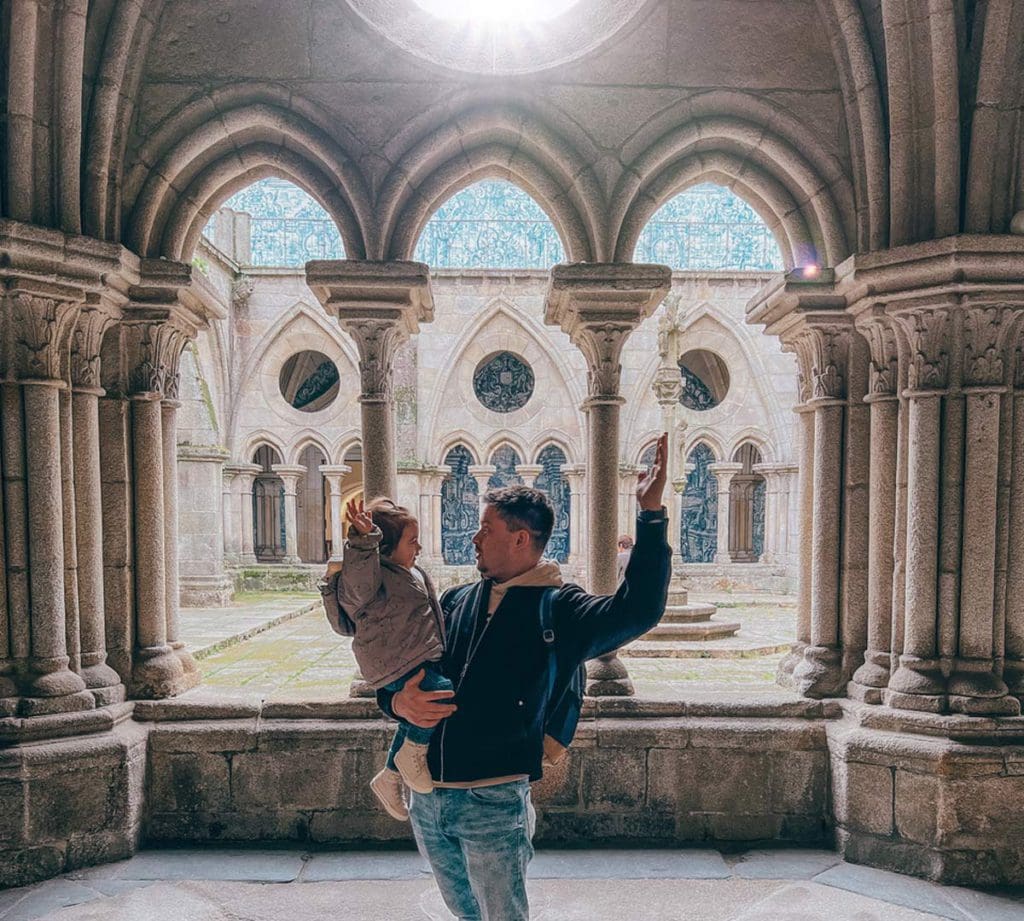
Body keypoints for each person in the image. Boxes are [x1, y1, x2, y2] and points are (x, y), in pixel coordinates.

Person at [377, 432, 672, 921]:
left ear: (520, 539)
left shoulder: (560, 608)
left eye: (485, 529)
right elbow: (399, 666)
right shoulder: (455, 600)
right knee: (463, 912)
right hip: (427, 796)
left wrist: (651, 515)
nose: (474, 538)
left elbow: (638, 608)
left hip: (492, 800)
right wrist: (393, 701)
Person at [334, 497, 450, 822]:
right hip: (395, 661)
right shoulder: (372, 581)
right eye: (412, 541)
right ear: (385, 548)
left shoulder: (405, 573)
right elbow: (356, 580)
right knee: (441, 693)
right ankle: (412, 754)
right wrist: (363, 540)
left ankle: (389, 776)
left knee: (420, 710)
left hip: (412, 656)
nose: (420, 548)